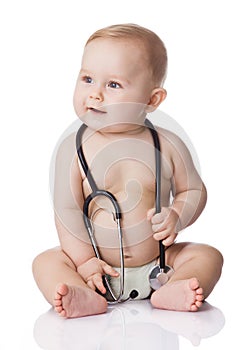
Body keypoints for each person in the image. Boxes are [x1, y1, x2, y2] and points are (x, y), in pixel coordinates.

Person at [32, 23, 223, 318]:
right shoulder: (73, 149)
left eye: (113, 85)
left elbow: (193, 190)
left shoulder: (167, 145)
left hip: (160, 264)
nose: (95, 94)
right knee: (45, 262)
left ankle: (177, 286)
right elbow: (67, 213)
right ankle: (82, 294)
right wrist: (84, 262)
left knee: (207, 255)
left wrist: (178, 215)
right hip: (97, 268)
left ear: (152, 99)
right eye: (87, 79)